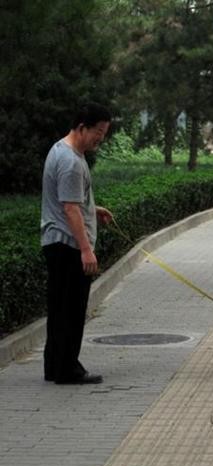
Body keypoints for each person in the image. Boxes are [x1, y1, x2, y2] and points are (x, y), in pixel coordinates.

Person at [40, 102, 114, 384]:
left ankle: (54, 365)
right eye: (98, 132)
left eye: (104, 133)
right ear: (82, 127)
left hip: (56, 242)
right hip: (68, 245)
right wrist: (86, 249)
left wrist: (93, 210)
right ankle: (68, 369)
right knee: (71, 310)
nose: (100, 138)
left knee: (59, 308)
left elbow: (69, 202)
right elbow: (70, 209)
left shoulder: (61, 149)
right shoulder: (71, 161)